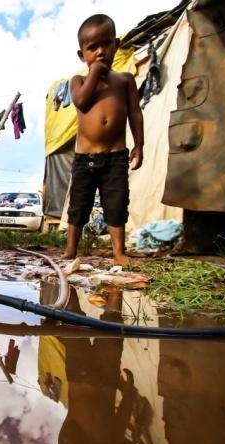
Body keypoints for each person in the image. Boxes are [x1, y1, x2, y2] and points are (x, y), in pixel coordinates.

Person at [62, 13, 144, 265]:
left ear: (116, 45)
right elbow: (81, 102)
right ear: (82, 55)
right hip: (85, 158)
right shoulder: (78, 81)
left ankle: (119, 252)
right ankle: (70, 250)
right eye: (92, 47)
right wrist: (95, 72)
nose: (100, 51)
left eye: (106, 44)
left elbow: (135, 113)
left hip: (116, 156)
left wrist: (139, 145)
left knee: (117, 204)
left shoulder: (125, 80)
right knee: (78, 206)